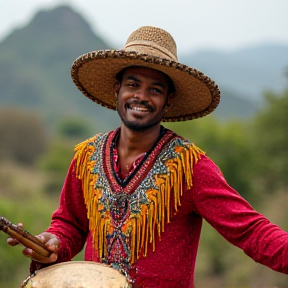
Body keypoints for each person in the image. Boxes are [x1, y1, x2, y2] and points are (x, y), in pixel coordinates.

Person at [7, 26, 288, 288]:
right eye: (133, 84)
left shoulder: (189, 166)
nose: (141, 96)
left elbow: (251, 231)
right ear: (117, 88)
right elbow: (70, 224)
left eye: (155, 89)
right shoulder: (87, 157)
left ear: (169, 99)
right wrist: (52, 243)